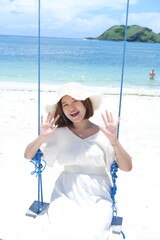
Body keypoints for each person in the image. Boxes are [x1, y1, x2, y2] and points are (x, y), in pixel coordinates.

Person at [24, 82, 132, 240]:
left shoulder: (105, 133)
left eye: (75, 101)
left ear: (85, 103)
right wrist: (41, 138)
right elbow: (28, 155)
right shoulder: (59, 133)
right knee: (59, 232)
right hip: (65, 193)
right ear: (61, 109)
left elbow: (127, 167)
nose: (71, 107)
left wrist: (114, 142)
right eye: (65, 104)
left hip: (98, 195)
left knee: (93, 233)